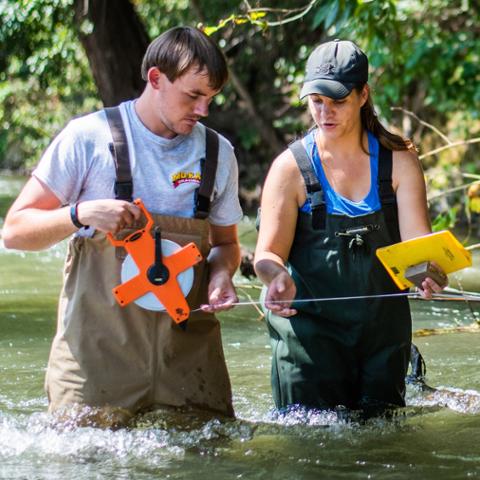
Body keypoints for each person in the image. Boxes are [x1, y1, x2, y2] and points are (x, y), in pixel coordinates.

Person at [3, 26, 243, 426]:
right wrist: (81, 214)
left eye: (211, 98)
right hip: (95, 359)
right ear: (155, 79)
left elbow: (226, 245)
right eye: (193, 95)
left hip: (186, 358)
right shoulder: (87, 138)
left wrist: (222, 274)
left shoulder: (219, 154)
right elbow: (14, 230)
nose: (203, 110)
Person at [254, 39, 445, 417]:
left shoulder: (400, 163)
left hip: (381, 336)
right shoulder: (289, 169)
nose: (324, 112)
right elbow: (267, 254)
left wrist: (428, 274)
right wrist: (274, 277)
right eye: (316, 101)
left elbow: (418, 248)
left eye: (337, 100)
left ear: (363, 95)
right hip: (307, 336)